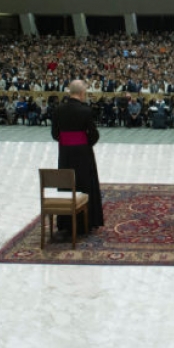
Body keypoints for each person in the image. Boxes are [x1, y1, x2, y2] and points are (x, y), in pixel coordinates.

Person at [51, 80, 103, 236]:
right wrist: (84, 144)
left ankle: (66, 223)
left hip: (65, 153)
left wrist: (67, 141)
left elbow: (55, 134)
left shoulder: (58, 109)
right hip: (83, 154)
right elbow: (93, 134)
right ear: (82, 93)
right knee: (84, 184)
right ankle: (86, 223)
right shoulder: (85, 110)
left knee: (67, 183)